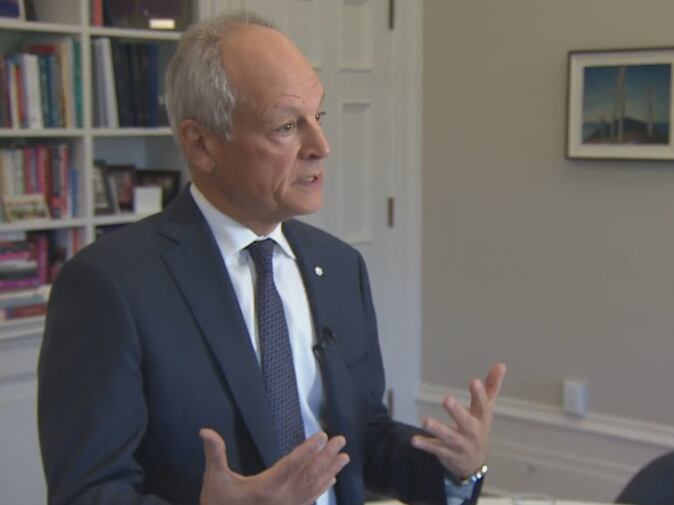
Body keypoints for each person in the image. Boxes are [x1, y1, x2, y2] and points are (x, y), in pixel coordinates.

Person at [37, 11, 506, 505]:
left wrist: (456, 467)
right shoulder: (108, 285)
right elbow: (86, 493)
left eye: (318, 117)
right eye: (286, 126)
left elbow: (362, 437)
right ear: (201, 144)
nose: (321, 147)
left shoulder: (340, 267)